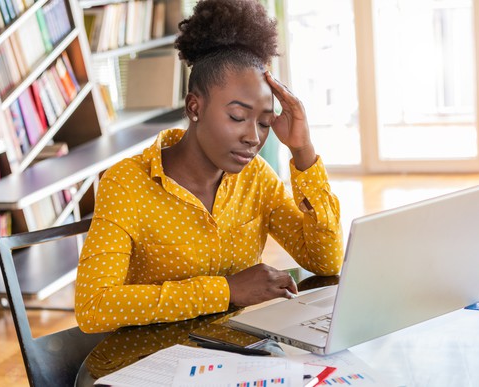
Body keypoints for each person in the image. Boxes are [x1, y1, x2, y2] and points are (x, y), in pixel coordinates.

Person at [75, 0, 344, 333]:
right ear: (194, 107)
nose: (253, 137)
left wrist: (302, 150)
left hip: (237, 351)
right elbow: (94, 307)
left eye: (263, 123)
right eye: (236, 117)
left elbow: (325, 261)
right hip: (148, 362)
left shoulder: (255, 176)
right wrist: (227, 290)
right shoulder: (127, 183)